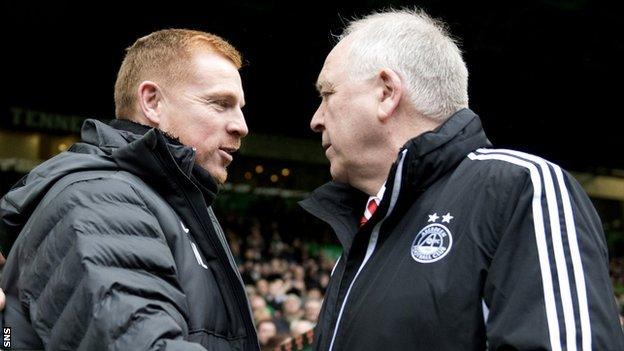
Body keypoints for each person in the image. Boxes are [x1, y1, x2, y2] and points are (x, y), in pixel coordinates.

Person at [299, 8, 624, 350]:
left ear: (386, 92)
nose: (316, 119)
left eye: (328, 94)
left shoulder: (518, 188)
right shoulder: (363, 238)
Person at [0, 29, 259, 350]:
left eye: (240, 107)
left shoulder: (168, 198)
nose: (241, 125)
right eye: (221, 103)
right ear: (152, 101)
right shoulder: (101, 196)